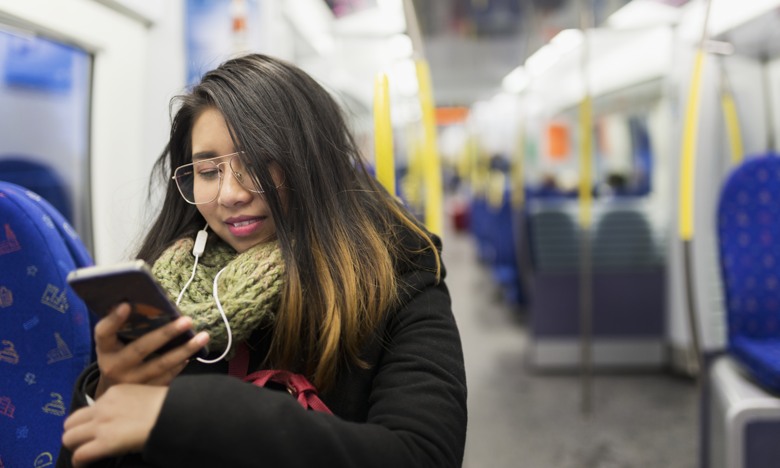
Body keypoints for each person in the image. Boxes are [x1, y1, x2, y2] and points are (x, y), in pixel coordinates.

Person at [57, 53, 467, 467]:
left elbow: (422, 455)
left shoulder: (400, 277)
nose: (231, 194)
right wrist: (108, 391)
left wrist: (194, 413)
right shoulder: (167, 295)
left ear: (312, 166)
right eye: (209, 171)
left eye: (255, 162)